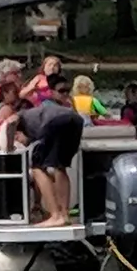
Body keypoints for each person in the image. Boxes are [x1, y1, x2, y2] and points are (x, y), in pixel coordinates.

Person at [17, 92, 85, 227]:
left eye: (17, 138)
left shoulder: (22, 117)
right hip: (76, 120)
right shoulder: (37, 116)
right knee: (60, 167)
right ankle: (64, 215)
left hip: (55, 122)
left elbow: (10, 121)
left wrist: (7, 144)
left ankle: (55, 215)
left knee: (36, 168)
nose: (19, 142)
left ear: (19, 132)